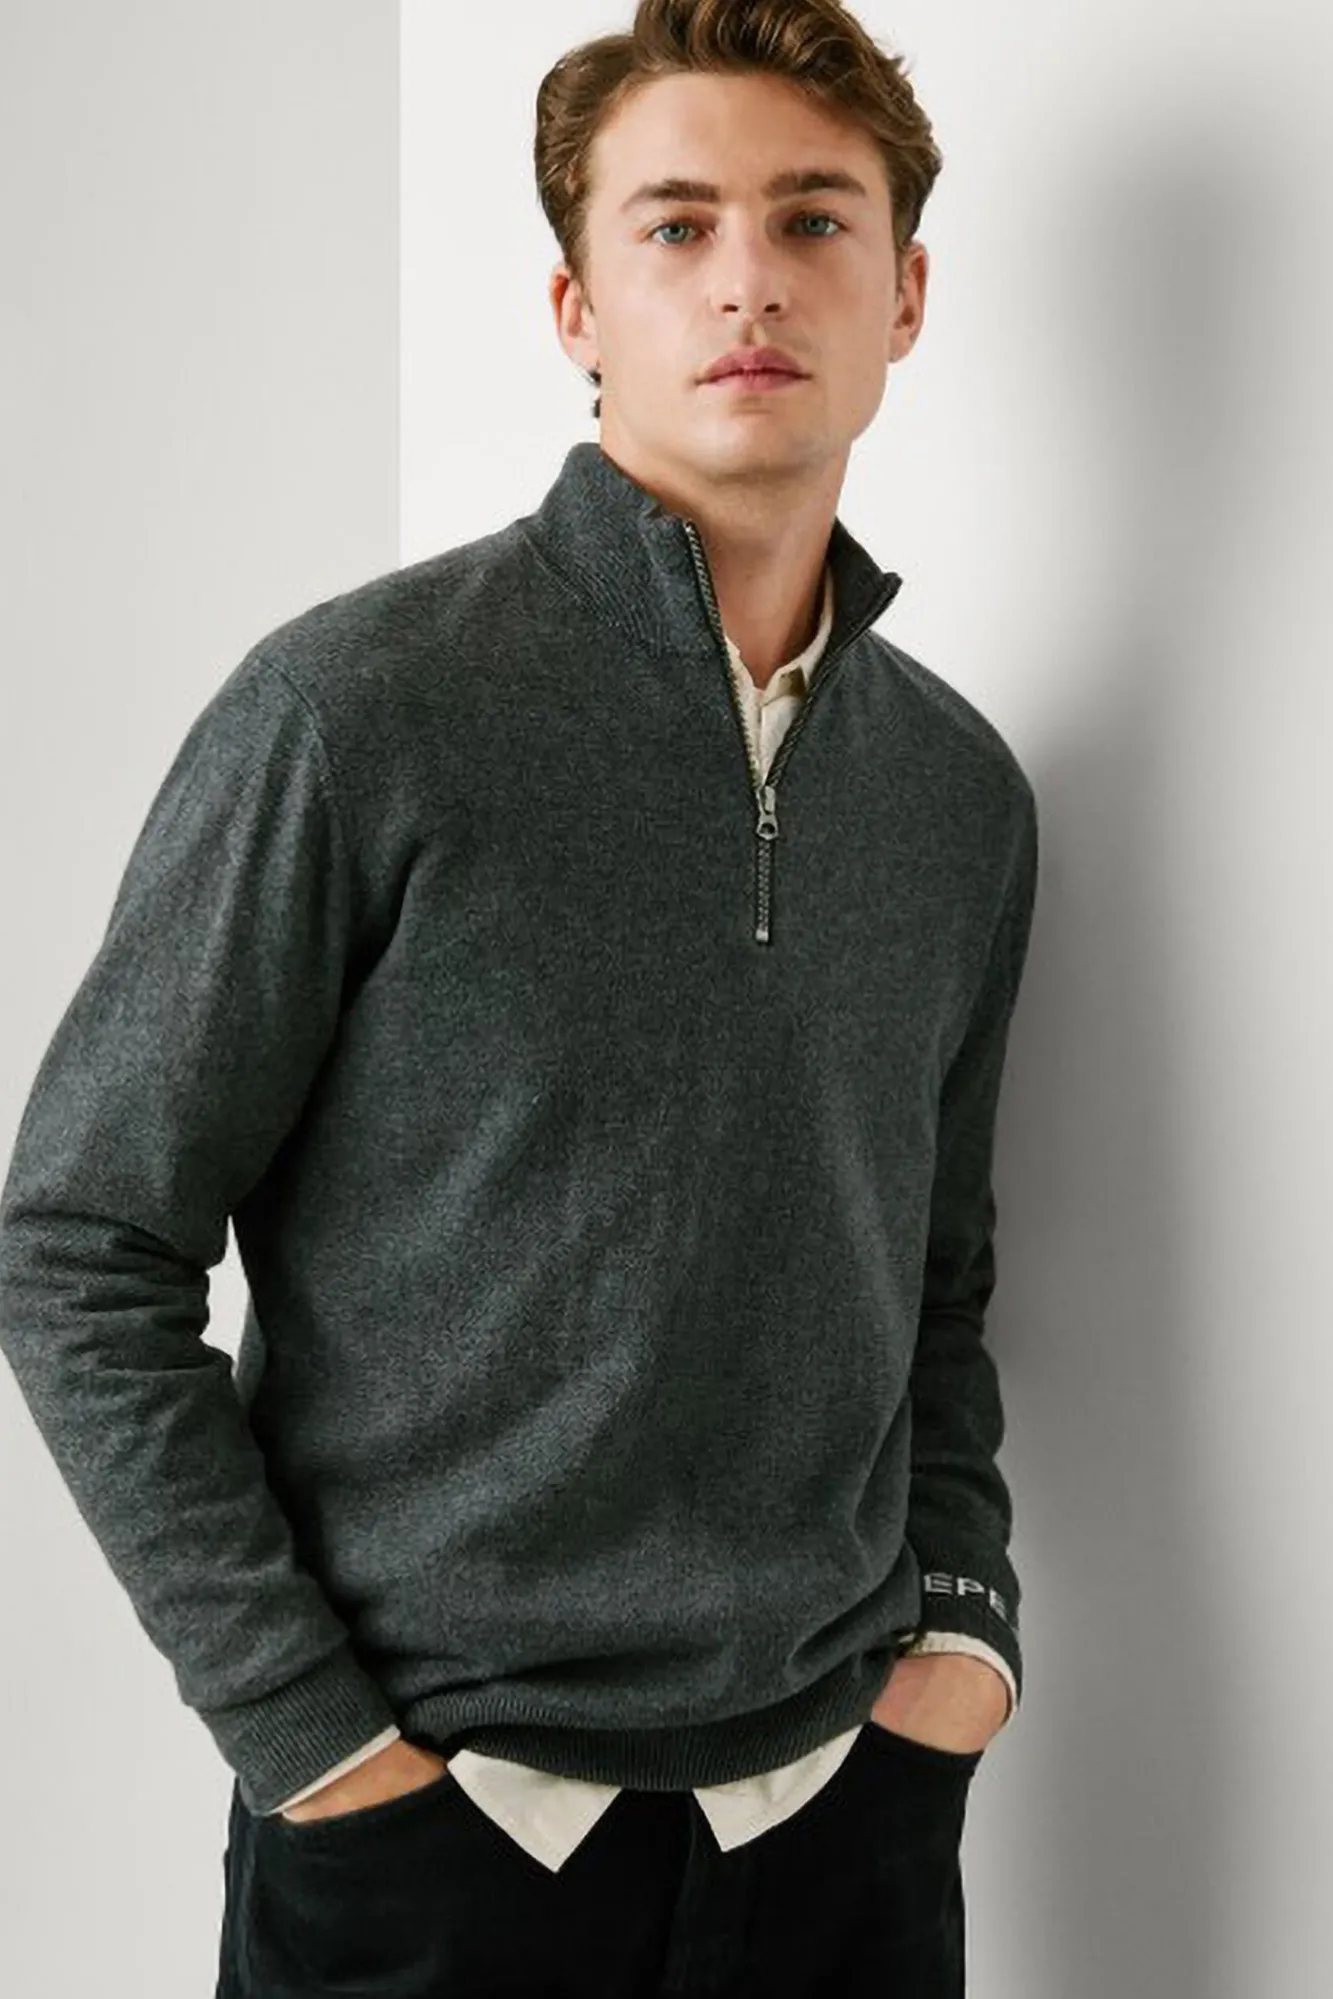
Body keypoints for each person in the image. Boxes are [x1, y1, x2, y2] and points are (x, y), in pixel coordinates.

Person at [0, 2, 1041, 1993]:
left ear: (905, 296)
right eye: (677, 224)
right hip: (433, 1840)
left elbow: (936, 1283)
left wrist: (962, 1636)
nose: (749, 278)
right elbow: (80, 1239)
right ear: (577, 307)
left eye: (815, 219)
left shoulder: (959, 794)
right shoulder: (358, 710)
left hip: (844, 1836)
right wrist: (310, 1741)